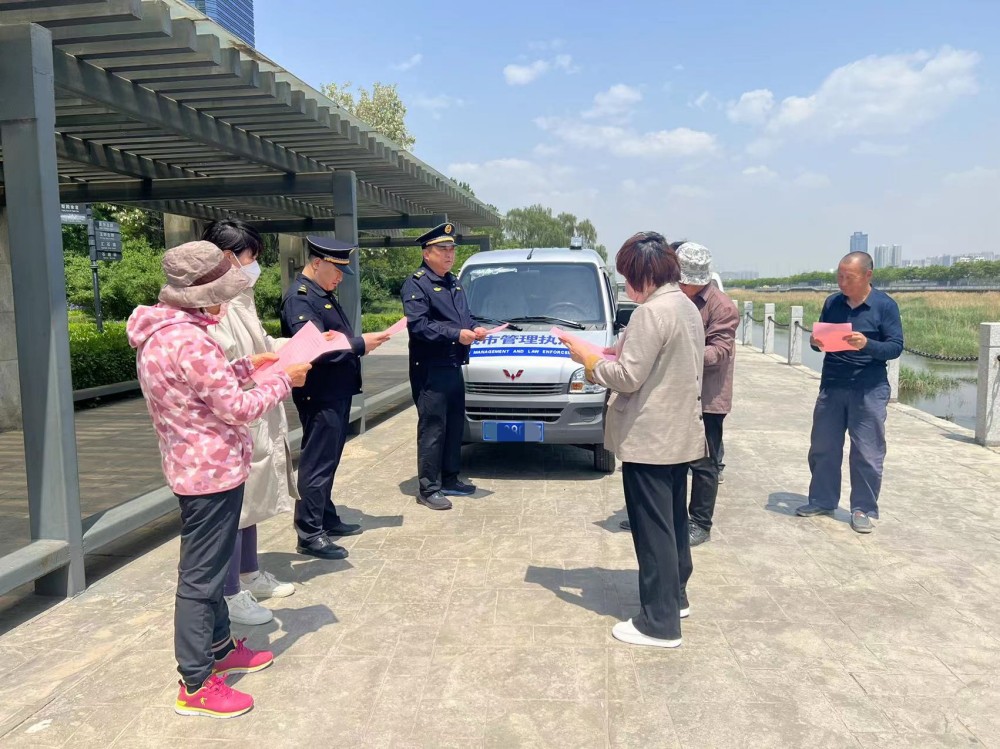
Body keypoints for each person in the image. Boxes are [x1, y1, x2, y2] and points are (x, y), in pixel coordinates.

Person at [127, 241, 310, 718]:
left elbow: (208, 385)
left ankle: (222, 647)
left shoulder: (167, 332)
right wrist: (284, 379)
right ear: (200, 295)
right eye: (221, 293)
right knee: (201, 580)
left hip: (197, 466)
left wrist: (252, 366)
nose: (224, 302)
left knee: (208, 569)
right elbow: (238, 407)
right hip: (210, 473)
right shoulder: (188, 339)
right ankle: (195, 682)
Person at [561, 231, 706, 648]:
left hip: (651, 436)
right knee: (673, 522)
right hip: (677, 433)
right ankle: (674, 598)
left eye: (628, 277)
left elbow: (627, 377)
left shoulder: (650, 313)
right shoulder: (684, 306)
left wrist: (589, 364)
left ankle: (658, 623)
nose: (626, 286)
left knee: (652, 529)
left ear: (645, 273)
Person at [202, 220, 297, 627]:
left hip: (253, 415)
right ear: (226, 258)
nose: (254, 267)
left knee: (251, 503)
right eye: (250, 258)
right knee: (233, 512)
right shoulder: (214, 307)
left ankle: (249, 573)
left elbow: (255, 351)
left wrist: (296, 347)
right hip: (232, 423)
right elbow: (224, 371)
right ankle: (229, 594)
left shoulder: (241, 298)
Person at [280, 236, 389, 558]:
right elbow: (314, 347)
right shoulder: (300, 299)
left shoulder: (320, 294)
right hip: (320, 393)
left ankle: (325, 517)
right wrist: (359, 344)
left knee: (328, 460)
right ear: (317, 263)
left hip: (335, 391)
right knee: (317, 463)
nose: (341, 277)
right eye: (337, 270)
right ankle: (309, 533)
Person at [795, 251, 903, 534]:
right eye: (839, 276)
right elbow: (821, 342)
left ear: (868, 275)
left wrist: (867, 344)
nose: (842, 283)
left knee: (867, 452)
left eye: (849, 277)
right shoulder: (832, 303)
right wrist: (816, 342)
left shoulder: (885, 306)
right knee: (823, 447)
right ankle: (821, 499)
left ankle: (863, 508)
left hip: (869, 389)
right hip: (832, 385)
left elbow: (895, 347)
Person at [400, 222, 486, 510]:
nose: (450, 255)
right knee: (433, 427)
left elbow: (465, 317)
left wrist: (475, 328)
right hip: (430, 369)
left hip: (453, 365)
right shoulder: (416, 284)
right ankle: (428, 487)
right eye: (443, 249)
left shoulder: (454, 282)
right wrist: (456, 334)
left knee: (453, 425)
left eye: (452, 249)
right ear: (427, 253)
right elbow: (419, 326)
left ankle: (450, 477)